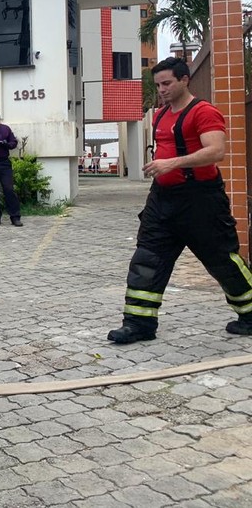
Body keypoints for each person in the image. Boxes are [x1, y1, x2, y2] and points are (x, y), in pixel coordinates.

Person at [107, 56, 252, 344]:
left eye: (167, 83)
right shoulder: (160, 114)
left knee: (222, 260)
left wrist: (172, 164)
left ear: (184, 80)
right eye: (158, 84)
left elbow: (216, 151)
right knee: (146, 259)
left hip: (200, 201)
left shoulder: (204, 112)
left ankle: (249, 313)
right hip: (162, 201)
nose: (161, 89)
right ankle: (138, 324)